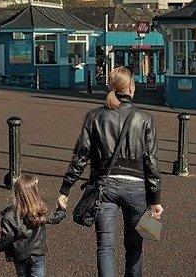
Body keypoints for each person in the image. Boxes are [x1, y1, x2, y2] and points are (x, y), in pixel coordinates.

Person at [58, 66, 162, 277]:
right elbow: (152, 162)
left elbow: (81, 156)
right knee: (134, 248)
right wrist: (155, 199)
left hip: (104, 186)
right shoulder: (145, 119)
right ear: (131, 87)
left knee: (105, 247)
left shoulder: (94, 116)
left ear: (110, 87)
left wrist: (65, 188)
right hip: (136, 187)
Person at [0, 174, 67, 277]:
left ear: (16, 193)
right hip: (37, 253)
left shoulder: (9, 216)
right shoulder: (39, 211)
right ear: (34, 193)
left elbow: (7, 236)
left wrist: (1, 246)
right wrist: (61, 209)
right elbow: (55, 218)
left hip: (20, 254)